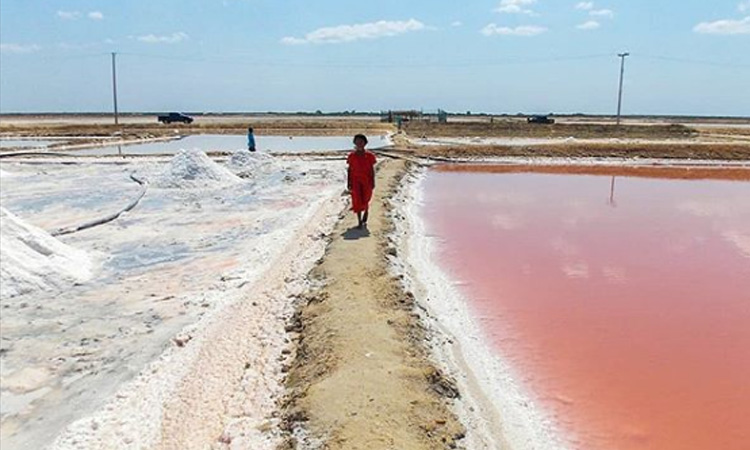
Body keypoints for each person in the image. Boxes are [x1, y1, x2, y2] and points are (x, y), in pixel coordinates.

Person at [347, 134, 376, 229]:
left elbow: (372, 170)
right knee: (357, 200)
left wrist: (373, 181)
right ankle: (359, 221)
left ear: (365, 143)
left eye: (361, 142)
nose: (359, 144)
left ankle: (366, 211)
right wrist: (348, 182)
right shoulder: (351, 156)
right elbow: (349, 169)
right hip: (355, 181)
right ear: (354, 143)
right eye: (357, 142)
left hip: (366, 181)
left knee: (366, 198)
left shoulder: (370, 156)